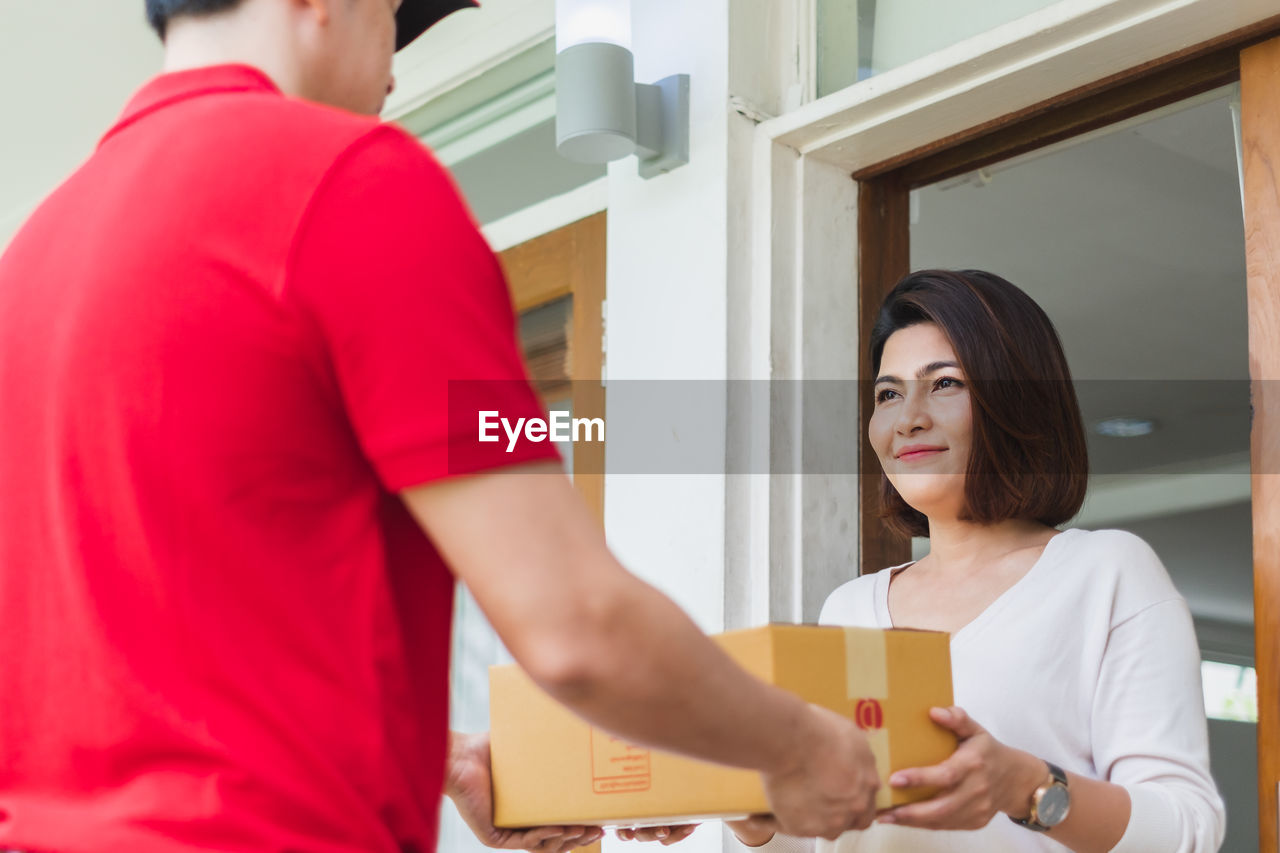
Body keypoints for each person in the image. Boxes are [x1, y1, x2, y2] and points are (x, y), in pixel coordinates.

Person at [0, 2, 884, 852]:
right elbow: (575, 625)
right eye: (393, 20)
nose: (391, 75)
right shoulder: (357, 181)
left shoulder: (30, 262)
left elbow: (150, 656)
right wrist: (802, 749)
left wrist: (438, 756)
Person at [620, 269, 1226, 851]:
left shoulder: (1107, 573)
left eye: (945, 383)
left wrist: (1026, 786)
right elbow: (840, 841)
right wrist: (750, 813)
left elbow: (1186, 831)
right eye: (889, 394)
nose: (907, 419)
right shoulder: (850, 607)